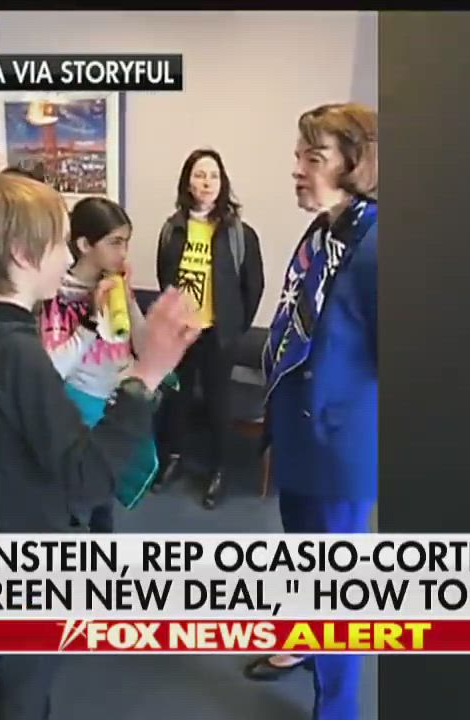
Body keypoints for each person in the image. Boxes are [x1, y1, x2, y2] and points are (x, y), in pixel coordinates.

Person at [0, 173, 201, 719]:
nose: (67, 257)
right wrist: (147, 376)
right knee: (22, 692)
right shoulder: (16, 350)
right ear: (22, 254)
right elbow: (85, 479)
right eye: (58, 243)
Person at [243, 103, 378, 719]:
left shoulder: (376, 243)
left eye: (314, 157)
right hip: (297, 433)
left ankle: (339, 709)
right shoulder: (325, 230)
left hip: (338, 448)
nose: (297, 168)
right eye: (299, 155)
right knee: (303, 561)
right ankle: (302, 642)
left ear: (357, 164)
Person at [37, 196, 158, 533]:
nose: (124, 253)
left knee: (105, 502)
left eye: (126, 243)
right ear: (84, 245)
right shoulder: (55, 293)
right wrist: (91, 321)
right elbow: (53, 368)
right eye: (115, 243)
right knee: (76, 500)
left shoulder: (114, 285)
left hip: (112, 403)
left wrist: (128, 301)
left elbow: (144, 348)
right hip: (78, 409)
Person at [152, 148, 265, 509]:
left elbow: (253, 286)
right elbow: (165, 276)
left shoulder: (239, 233)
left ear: (222, 183)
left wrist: (234, 326)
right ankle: (173, 459)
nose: (207, 182)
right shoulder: (173, 228)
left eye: (214, 175)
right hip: (180, 333)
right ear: (188, 182)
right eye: (200, 174)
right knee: (177, 399)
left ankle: (219, 470)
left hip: (219, 334)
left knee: (218, 403)